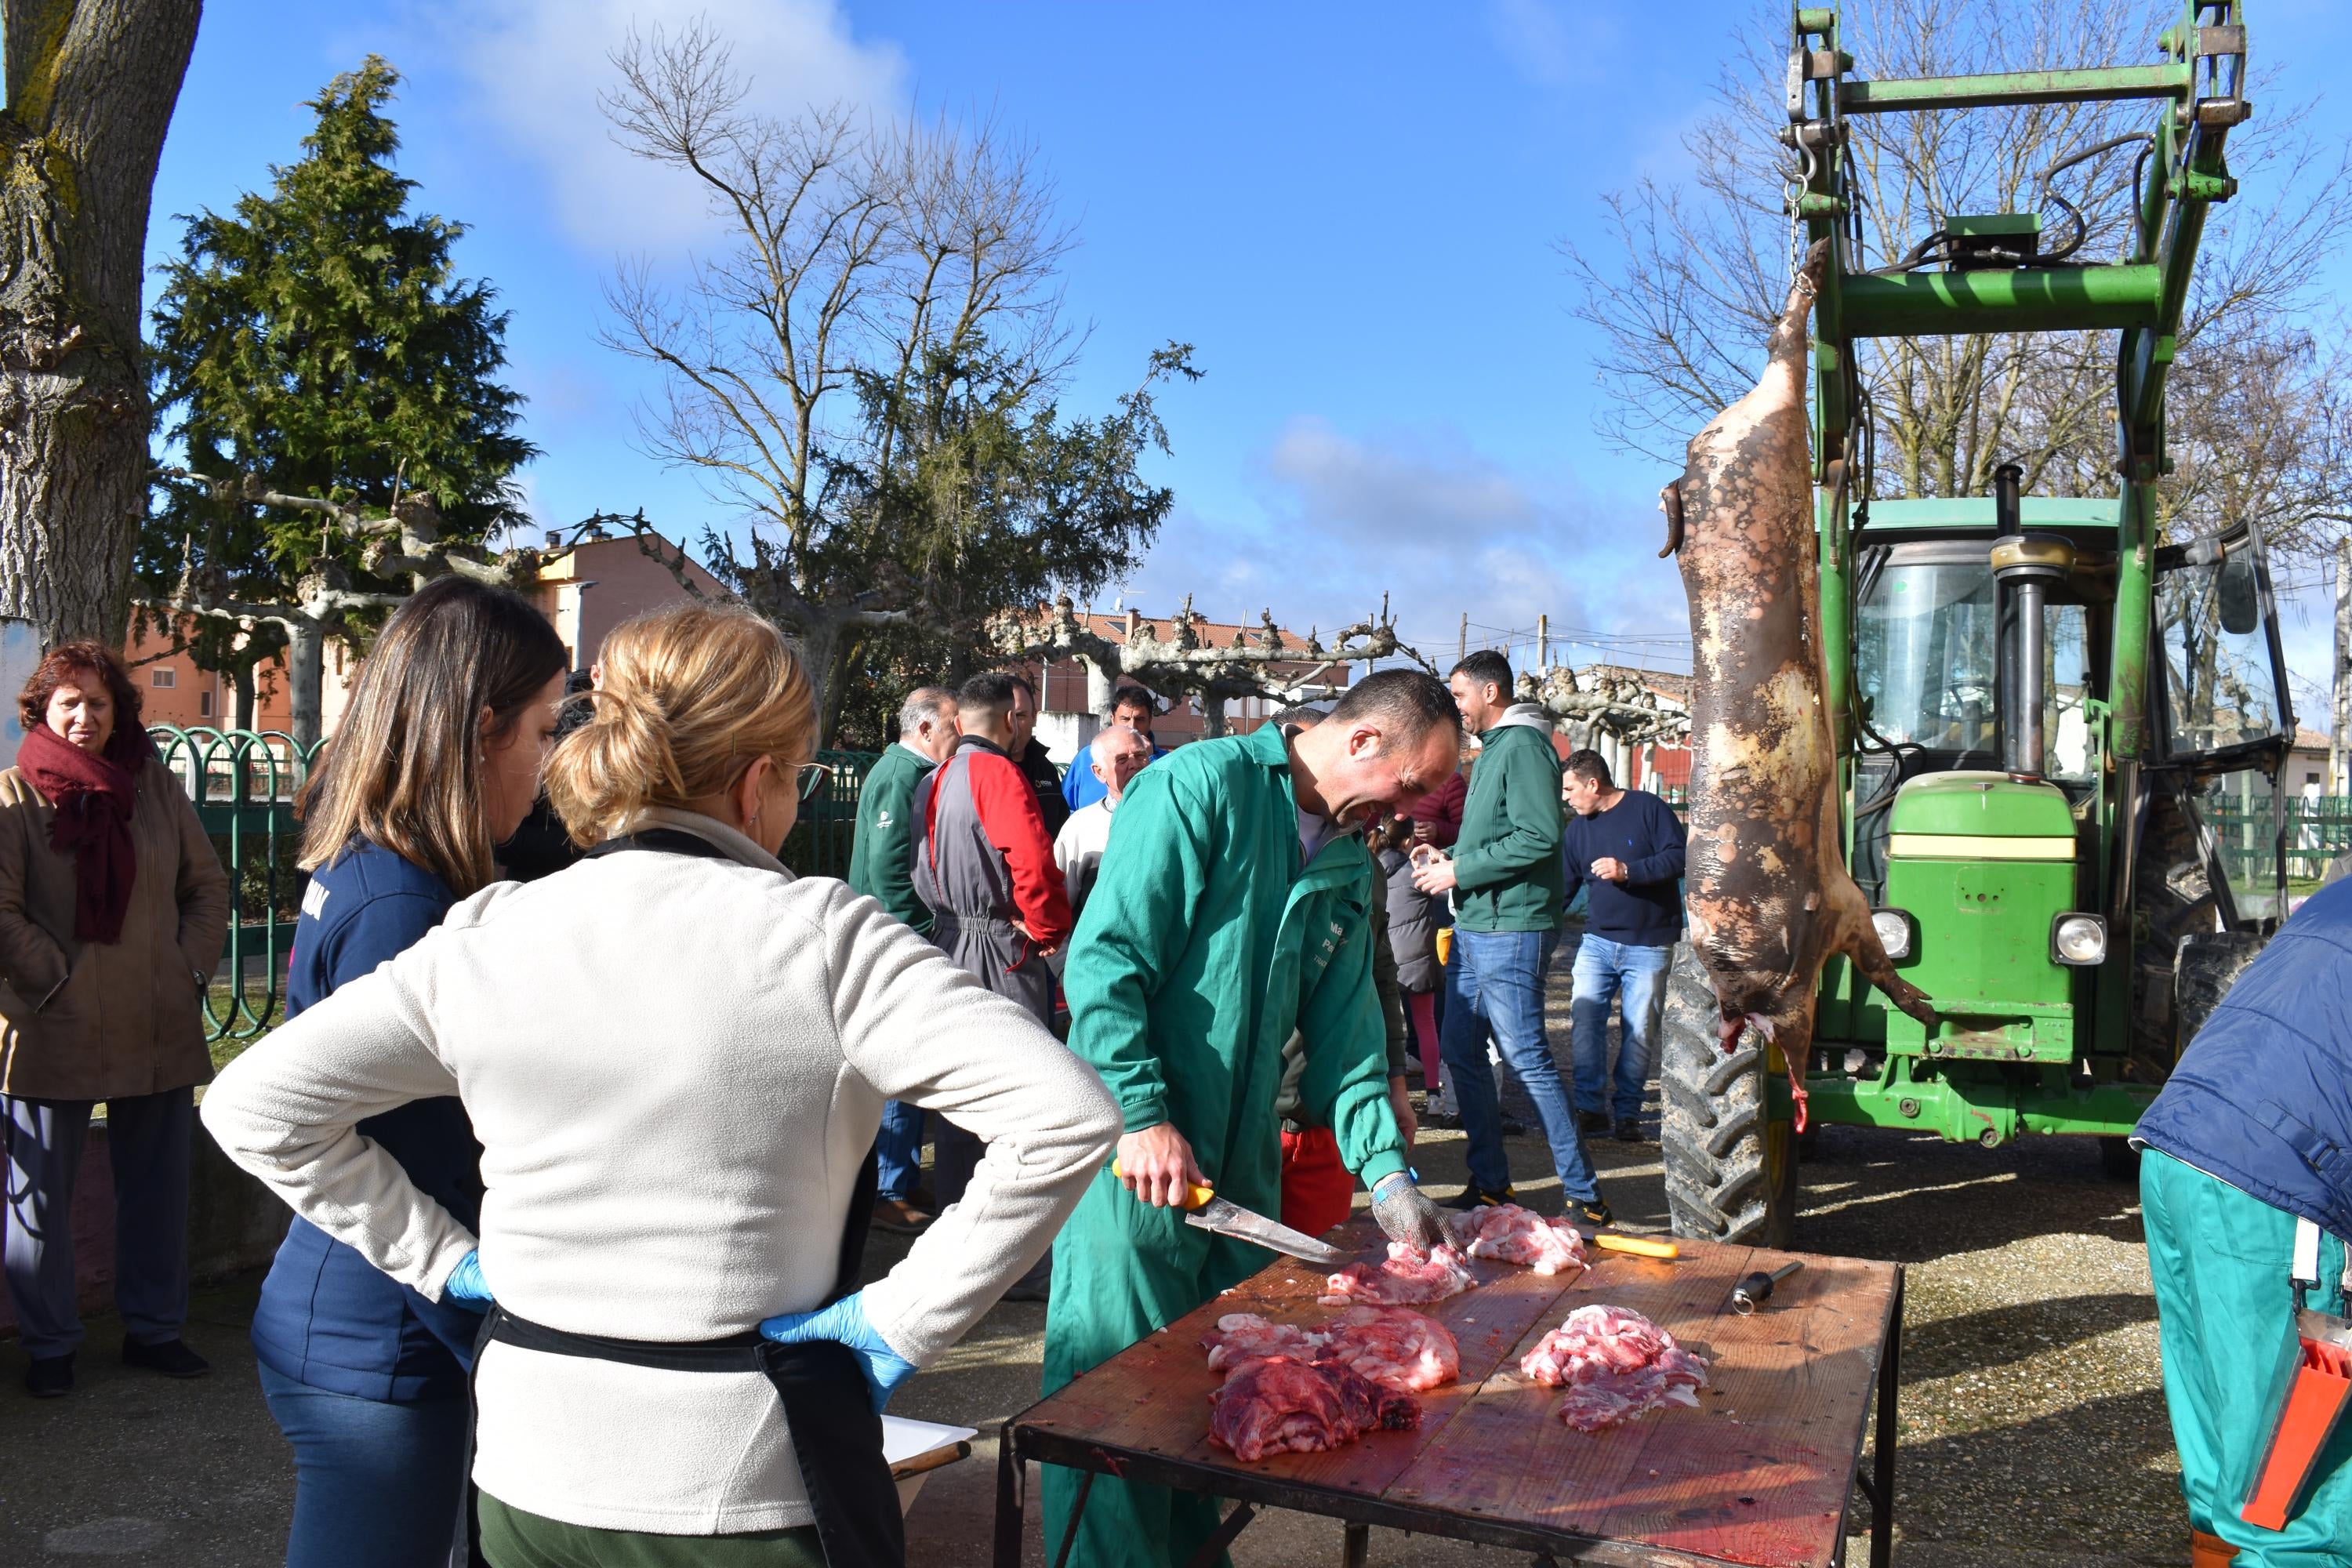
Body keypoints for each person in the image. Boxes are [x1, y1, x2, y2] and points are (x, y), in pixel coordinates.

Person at [203, 602, 1120, 1568]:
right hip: (742, 1477)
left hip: (526, 1470)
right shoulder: (827, 939)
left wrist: (440, 1257)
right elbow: (1066, 1117)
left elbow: (252, 1104)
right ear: (757, 779)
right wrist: (897, 1322)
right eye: (796, 776)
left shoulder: (487, 931)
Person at [1043, 670, 1462, 1568]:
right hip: (1138, 1161)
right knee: (1116, 1415)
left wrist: (1386, 1172)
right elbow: (1107, 960)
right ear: (1364, 744)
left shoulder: (1350, 859)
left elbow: (1351, 1034)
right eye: (1418, 782)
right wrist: (1140, 1109)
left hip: (1242, 1175)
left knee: (1212, 1410)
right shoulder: (1200, 787)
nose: (1423, 805)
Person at [236, 579, 568, 1566]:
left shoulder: (396, 863)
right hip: (382, 1335)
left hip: (375, 1320)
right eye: (544, 731)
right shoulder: (402, 902)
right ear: (479, 731)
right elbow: (418, 1152)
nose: (550, 764)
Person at [0, 641, 229, 1399]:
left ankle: (155, 1330)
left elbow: (206, 888)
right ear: (42, 709)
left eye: (99, 703)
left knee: (158, 1190)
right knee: (37, 1205)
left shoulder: (156, 790)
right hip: (50, 1023)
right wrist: (52, 977)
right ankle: (51, 1345)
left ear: (118, 713)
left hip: (156, 1020)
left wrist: (188, 967)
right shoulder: (13, 797)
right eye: (69, 702)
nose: (84, 717)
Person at [2134, 877, 2352, 1566]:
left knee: (2230, 1436)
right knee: (2302, 1486)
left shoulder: (2341, 895)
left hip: (2182, 1145)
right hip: (2284, 1184)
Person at [1411, 652, 1609, 1224]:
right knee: (1462, 1052)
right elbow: (1505, 835)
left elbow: (1539, 837)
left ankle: (1587, 1197)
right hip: (1477, 924)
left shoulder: (1521, 747)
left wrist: (1459, 871)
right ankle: (1493, 1184)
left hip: (1511, 926)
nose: (1457, 707)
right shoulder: (1496, 748)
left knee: (1527, 1057)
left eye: (1461, 695)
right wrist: (1452, 857)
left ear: (1491, 693)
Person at [913, 673, 1074, 1216]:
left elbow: (917, 867)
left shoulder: (934, 777)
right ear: (1012, 719)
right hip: (998, 949)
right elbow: (1033, 861)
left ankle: (953, 1226)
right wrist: (1049, 932)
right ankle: (1012, 1253)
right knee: (1017, 1100)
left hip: (946, 939)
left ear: (959, 724)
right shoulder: (998, 774)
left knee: (961, 1098)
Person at [1265, 704, 1415, 1240]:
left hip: (1324, 1117)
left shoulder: (1360, 867)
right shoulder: (1248, 845)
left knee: (1311, 1289)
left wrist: (1394, 1083)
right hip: (1242, 1121)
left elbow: (1378, 978)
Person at [848, 687, 960, 1235]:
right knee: (902, 1063)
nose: (957, 737)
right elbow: (889, 867)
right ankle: (889, 1189)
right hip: (896, 942)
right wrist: (920, 934)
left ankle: (898, 1178)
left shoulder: (902, 771)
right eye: (950, 727)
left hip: (894, 938)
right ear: (923, 730)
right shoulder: (900, 776)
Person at [1559, 750, 1687, 1143]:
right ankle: (1590, 1109)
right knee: (1584, 1024)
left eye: (1569, 789)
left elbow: (1681, 857)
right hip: (1596, 943)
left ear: (1593, 784)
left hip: (1648, 945)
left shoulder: (1649, 808)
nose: (1565, 798)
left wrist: (1628, 871)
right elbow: (1564, 889)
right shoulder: (1577, 831)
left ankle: (1628, 1114)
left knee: (1639, 1032)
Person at [1374, 815, 1444, 1101]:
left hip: (1382, 960)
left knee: (1381, 1026)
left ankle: (1383, 1092)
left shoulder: (1370, 867)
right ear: (1407, 841)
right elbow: (1445, 896)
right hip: (1418, 963)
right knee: (1425, 1023)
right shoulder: (1417, 871)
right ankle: (1433, 1094)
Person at [1051, 724, 1152, 920]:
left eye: (1140, 756)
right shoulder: (1081, 827)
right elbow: (1058, 906)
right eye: (1122, 759)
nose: (1134, 765)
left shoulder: (1172, 816)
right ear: (1099, 772)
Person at [1062, 687, 1167, 812]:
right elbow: (1063, 806)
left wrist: (1150, 759)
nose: (1132, 726)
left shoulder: (1166, 762)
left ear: (1150, 721)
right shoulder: (1087, 757)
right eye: (1125, 719)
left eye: (1140, 719)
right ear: (1113, 719)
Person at [1002, 671, 1071, 837]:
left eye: (1020, 715)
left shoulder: (1046, 770)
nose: (1013, 725)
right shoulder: (976, 771)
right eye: (1004, 716)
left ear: (1034, 717)